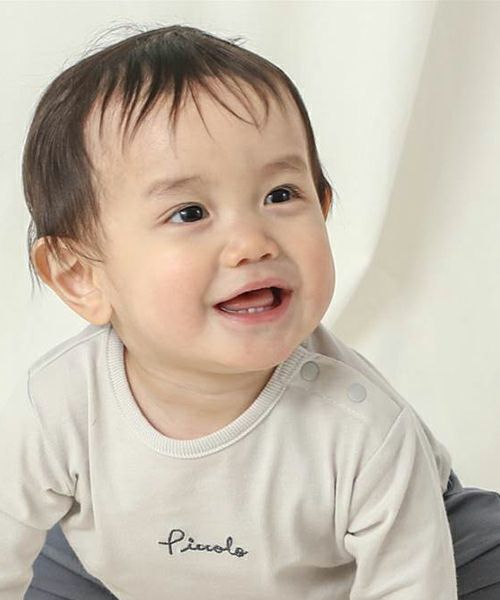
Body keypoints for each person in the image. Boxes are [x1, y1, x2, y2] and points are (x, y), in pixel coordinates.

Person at [1, 24, 499, 600]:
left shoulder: (364, 431)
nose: (252, 243)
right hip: (123, 558)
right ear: (80, 276)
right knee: (50, 555)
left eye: (280, 195)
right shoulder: (57, 409)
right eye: (189, 213)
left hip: (356, 564)